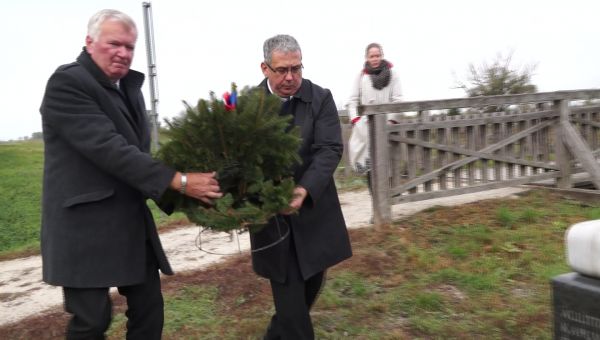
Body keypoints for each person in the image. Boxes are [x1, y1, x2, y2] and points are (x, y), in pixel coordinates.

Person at [39, 9, 221, 339]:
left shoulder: (130, 88)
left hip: (129, 225)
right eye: (114, 44)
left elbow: (140, 157)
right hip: (83, 229)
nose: (123, 53)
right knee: (91, 321)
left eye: (130, 46)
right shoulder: (67, 83)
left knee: (150, 311)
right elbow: (110, 149)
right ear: (89, 41)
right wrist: (179, 181)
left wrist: (196, 194)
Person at [250, 34, 353, 339]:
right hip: (272, 217)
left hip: (313, 210)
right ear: (265, 68)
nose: (290, 77)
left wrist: (303, 190)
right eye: (282, 70)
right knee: (290, 298)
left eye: (297, 68)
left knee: (310, 284)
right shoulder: (247, 106)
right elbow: (237, 157)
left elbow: (329, 148)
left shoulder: (320, 98)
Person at [345, 42, 402, 205]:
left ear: (382, 56)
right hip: (366, 129)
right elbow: (353, 99)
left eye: (378, 55)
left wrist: (391, 120)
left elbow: (398, 99)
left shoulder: (393, 74)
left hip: (386, 127)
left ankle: (386, 202)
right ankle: (376, 205)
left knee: (385, 166)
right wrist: (355, 120)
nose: (375, 59)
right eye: (372, 56)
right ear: (367, 58)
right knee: (370, 167)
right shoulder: (361, 76)